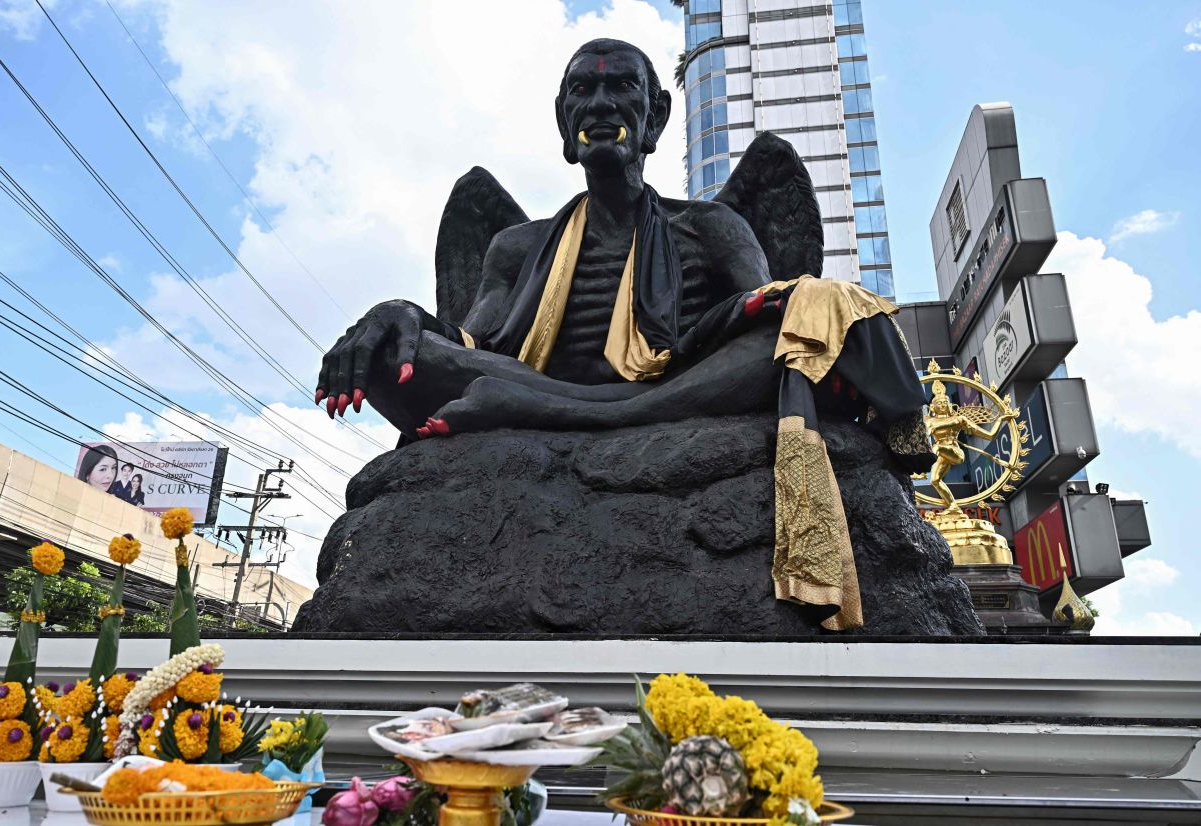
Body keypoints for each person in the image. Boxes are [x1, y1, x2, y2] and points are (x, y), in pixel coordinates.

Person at [314, 39, 933, 630]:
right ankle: (582, 408)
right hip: (528, 381)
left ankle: (586, 414)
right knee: (399, 351)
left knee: (817, 312)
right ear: (564, 121)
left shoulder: (713, 225)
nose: (602, 104)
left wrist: (786, 306)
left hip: (685, 380)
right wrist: (402, 315)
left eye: (621, 88)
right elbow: (475, 344)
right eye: (583, 90)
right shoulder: (516, 246)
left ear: (655, 115)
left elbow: (768, 312)